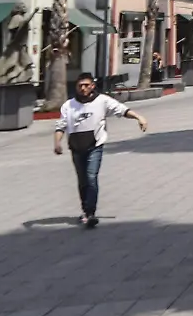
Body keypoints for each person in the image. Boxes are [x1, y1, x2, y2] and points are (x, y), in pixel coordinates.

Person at [54, 72, 147, 228]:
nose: (83, 88)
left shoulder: (102, 101)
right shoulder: (68, 105)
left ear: (92, 86)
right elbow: (60, 126)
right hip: (76, 147)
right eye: (80, 85)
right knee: (82, 180)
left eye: (86, 85)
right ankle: (85, 210)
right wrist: (57, 142)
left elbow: (121, 110)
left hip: (94, 145)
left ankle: (90, 213)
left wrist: (139, 117)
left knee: (91, 177)